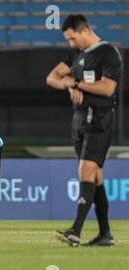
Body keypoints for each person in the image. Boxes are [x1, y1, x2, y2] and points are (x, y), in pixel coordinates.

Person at [46, 14, 122, 247]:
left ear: (85, 30)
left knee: (85, 171)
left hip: (99, 120)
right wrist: (68, 84)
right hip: (79, 120)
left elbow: (108, 88)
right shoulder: (77, 55)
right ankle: (105, 234)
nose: (71, 44)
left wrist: (76, 83)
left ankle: (75, 230)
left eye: (72, 38)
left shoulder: (108, 52)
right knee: (95, 178)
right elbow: (51, 78)